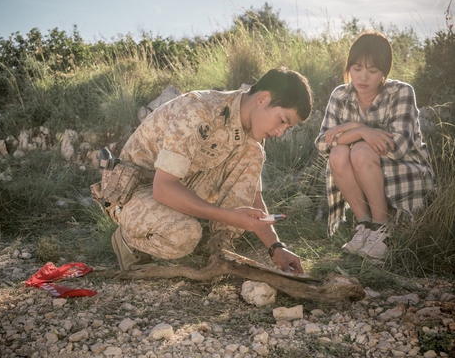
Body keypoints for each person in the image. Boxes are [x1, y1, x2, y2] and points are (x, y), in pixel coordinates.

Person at [110, 67, 313, 273]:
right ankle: (128, 240)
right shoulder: (198, 110)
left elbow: (252, 195)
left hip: (177, 185)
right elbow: (162, 188)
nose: (279, 132)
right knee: (184, 235)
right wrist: (227, 216)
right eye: (282, 121)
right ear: (263, 99)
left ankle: (220, 248)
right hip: (133, 192)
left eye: (286, 128)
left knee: (253, 151)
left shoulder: (252, 131)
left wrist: (276, 247)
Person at [315, 31, 436, 260]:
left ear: (384, 72)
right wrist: (361, 130)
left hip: (404, 168)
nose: (362, 77)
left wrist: (350, 133)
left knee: (358, 150)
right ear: (349, 67)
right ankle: (364, 225)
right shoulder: (340, 95)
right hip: (362, 169)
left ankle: (382, 230)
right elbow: (323, 144)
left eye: (372, 71)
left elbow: (399, 148)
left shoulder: (401, 92)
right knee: (339, 153)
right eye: (357, 68)